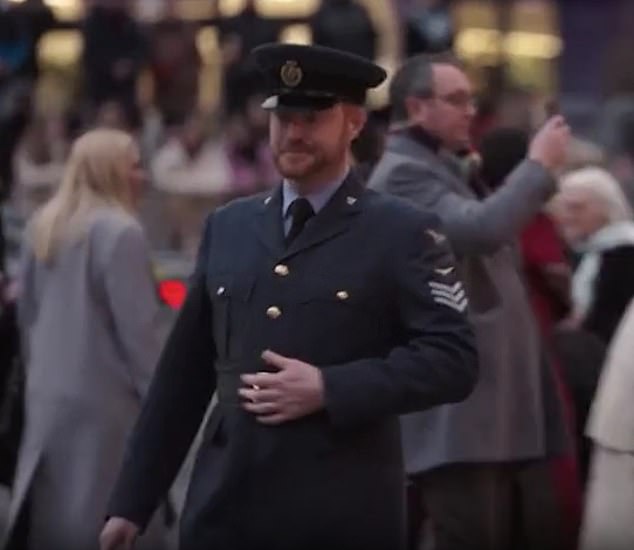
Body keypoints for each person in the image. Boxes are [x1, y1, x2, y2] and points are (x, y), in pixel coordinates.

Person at [100, 43, 478, 550]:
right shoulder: (230, 225)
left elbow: (453, 359)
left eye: (312, 118)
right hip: (225, 508)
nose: (293, 133)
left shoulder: (401, 231)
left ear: (353, 123)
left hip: (339, 508)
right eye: (283, 117)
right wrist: (131, 502)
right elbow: (182, 378)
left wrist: (331, 386)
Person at [368, 52, 573, 550]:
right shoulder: (402, 175)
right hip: (455, 421)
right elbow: (481, 229)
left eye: (470, 100)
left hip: (481, 418)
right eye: (456, 100)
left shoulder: (440, 167)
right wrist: (539, 165)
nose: (470, 112)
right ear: (416, 108)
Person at [2, 129, 171, 550]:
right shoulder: (122, 233)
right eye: (133, 164)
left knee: (51, 524)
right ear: (109, 171)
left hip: (48, 400)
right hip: (107, 412)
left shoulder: (43, 225)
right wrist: (165, 407)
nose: (142, 175)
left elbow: (28, 318)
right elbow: (140, 336)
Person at [554, 166, 634, 345]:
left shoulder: (625, 254)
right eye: (563, 207)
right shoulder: (582, 252)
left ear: (605, 209)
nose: (566, 216)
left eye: (577, 208)